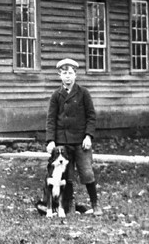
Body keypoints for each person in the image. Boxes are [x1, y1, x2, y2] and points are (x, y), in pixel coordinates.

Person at [45, 58, 102, 215]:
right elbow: (51, 120)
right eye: (64, 73)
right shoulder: (56, 96)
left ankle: (95, 204)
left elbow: (91, 116)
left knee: (87, 172)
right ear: (60, 75)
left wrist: (88, 136)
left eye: (70, 73)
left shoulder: (83, 93)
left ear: (75, 75)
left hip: (81, 143)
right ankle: (67, 205)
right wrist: (50, 141)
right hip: (63, 144)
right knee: (66, 176)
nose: (68, 76)